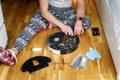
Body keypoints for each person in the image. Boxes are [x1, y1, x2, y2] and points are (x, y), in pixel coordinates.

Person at [0, 0, 91, 65]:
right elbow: (44, 12)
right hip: (48, 12)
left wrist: (79, 21)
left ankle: (51, 24)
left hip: (67, 12)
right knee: (32, 25)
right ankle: (12, 53)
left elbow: (81, 4)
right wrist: (62, 26)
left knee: (86, 21)